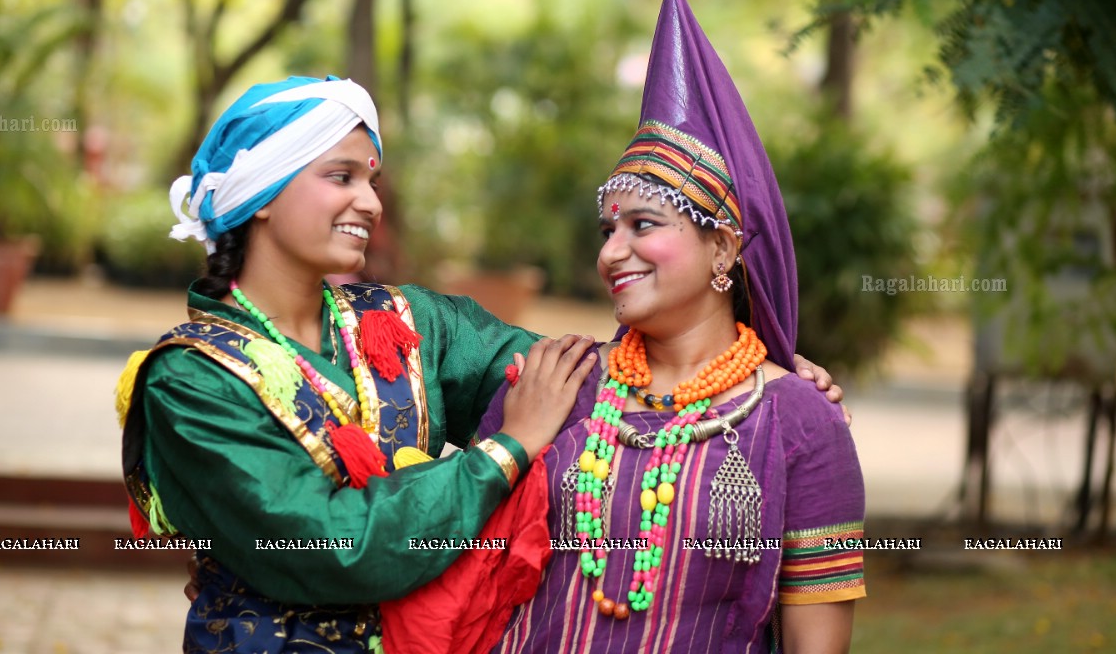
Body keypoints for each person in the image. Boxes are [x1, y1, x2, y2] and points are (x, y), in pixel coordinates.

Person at [119, 75, 845, 652]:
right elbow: (333, 547)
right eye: (341, 177)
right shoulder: (189, 382)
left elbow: (583, 377)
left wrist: (757, 376)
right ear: (263, 196)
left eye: (371, 179)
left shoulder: (410, 324)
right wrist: (501, 452)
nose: (370, 202)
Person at [465, 0, 866, 653]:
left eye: (642, 225)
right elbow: (464, 563)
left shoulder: (797, 421)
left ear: (723, 247)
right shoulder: (554, 383)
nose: (611, 252)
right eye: (607, 229)